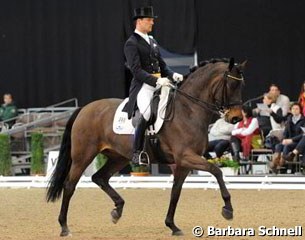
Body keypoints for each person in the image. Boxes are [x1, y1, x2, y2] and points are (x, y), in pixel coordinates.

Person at [123, 6, 183, 165]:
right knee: (147, 114)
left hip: (160, 83)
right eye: (149, 20)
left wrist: (172, 74)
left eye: (152, 20)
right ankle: (137, 153)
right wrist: (156, 80)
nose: (152, 23)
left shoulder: (152, 41)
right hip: (144, 86)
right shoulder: (131, 43)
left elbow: (162, 65)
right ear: (139, 21)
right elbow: (136, 71)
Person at [270, 103, 305, 171]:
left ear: (300, 110)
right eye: (293, 109)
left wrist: (291, 140)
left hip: (298, 142)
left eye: (297, 109)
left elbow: (303, 135)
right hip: (289, 141)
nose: (295, 110)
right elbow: (285, 133)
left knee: (287, 146)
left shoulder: (303, 120)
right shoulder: (289, 120)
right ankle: (275, 163)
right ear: (291, 110)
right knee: (278, 145)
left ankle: (282, 164)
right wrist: (284, 140)